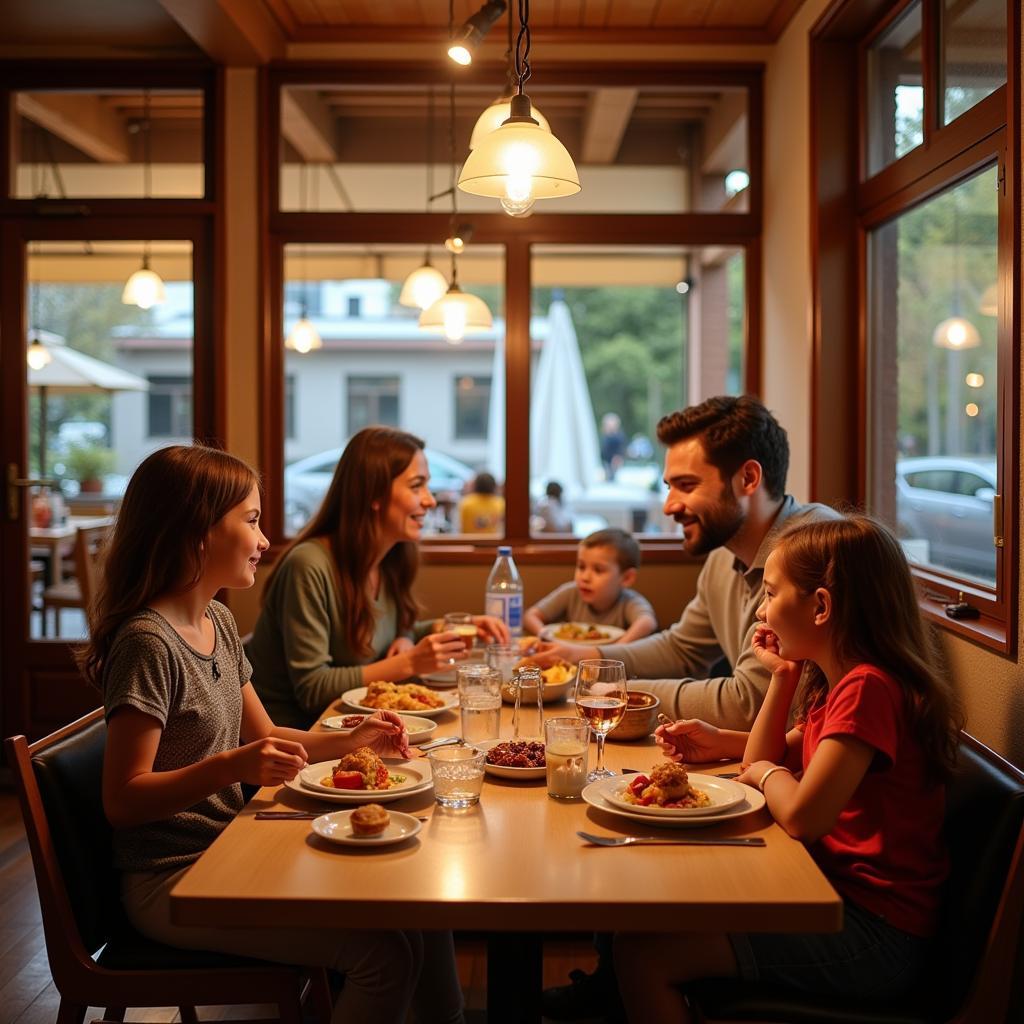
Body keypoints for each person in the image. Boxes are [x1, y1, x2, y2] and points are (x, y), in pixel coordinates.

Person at [79, 444, 465, 1024]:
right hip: (171, 881)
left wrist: (355, 737)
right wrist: (233, 767)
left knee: (413, 904)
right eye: (252, 520)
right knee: (382, 956)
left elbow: (269, 735)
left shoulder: (218, 619)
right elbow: (123, 799)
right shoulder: (148, 643)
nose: (264, 541)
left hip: (229, 848)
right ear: (195, 530)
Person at [540, 395, 837, 1022]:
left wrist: (617, 697)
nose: (670, 503)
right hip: (778, 777)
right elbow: (681, 647)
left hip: (817, 837)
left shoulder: (808, 553)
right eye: (668, 484)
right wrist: (581, 661)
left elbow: (754, 701)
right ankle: (611, 990)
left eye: (684, 484)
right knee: (620, 818)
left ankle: (618, 990)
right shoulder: (729, 555)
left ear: (748, 479)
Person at [616, 515, 961, 1022]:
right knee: (656, 906)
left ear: (820, 607)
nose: (760, 609)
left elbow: (801, 814)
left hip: (875, 935)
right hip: (829, 896)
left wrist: (761, 775)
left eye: (772, 594)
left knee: (642, 954)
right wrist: (780, 678)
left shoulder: (869, 689)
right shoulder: (840, 684)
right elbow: (768, 756)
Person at [247, 427, 508, 729]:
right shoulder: (308, 566)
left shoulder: (390, 558)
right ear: (373, 494)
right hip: (295, 740)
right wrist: (409, 663)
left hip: (353, 728)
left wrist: (439, 629)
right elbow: (313, 688)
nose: (430, 501)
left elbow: (390, 633)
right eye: (416, 486)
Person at [523, 528, 656, 642]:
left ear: (626, 578)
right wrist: (547, 636)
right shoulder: (571, 592)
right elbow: (531, 616)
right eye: (581, 567)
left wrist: (617, 649)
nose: (585, 577)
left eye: (598, 570)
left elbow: (647, 622)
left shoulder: (629, 601)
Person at [599, 412, 627, 481]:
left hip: (613, 464)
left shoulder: (617, 438)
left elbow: (620, 451)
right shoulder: (606, 437)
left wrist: (617, 458)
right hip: (606, 464)